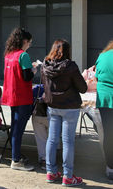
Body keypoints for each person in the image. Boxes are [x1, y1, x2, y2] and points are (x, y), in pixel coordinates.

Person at [41, 39, 87, 186]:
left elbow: (44, 85)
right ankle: (67, 176)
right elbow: (83, 88)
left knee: (52, 140)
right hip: (70, 107)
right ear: (67, 51)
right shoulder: (70, 66)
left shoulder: (45, 65)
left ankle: (51, 173)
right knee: (68, 142)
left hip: (52, 105)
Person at [2, 27, 36, 171]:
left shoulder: (9, 54)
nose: (29, 45)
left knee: (15, 127)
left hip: (12, 96)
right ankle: (16, 160)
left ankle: (15, 155)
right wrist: (34, 69)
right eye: (29, 42)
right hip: (22, 97)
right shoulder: (23, 56)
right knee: (18, 129)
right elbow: (27, 76)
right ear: (24, 41)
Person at [95, 40, 113, 180]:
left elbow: (96, 76)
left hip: (104, 99)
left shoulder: (102, 56)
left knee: (109, 133)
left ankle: (109, 167)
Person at [31, 83, 48, 170]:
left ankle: (44, 159)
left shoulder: (37, 88)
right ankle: (51, 158)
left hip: (39, 114)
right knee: (53, 138)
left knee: (41, 138)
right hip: (54, 114)